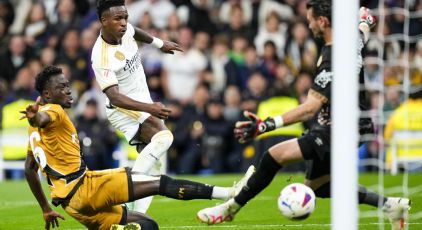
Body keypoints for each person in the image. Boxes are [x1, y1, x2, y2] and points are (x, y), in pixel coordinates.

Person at [196, 2, 411, 229]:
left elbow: (310, 108)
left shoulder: (333, 58)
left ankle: (230, 209)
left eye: (310, 19)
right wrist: (364, 22)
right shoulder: (350, 41)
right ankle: (390, 205)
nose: (308, 24)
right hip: (350, 125)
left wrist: (267, 124)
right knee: (318, 186)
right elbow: (362, 33)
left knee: (272, 155)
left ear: (322, 21)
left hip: (337, 129)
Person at [22, 66, 253, 230]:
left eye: (68, 85)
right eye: (62, 87)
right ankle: (230, 193)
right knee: (161, 183)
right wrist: (36, 117)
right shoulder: (54, 111)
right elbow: (43, 119)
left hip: (71, 205)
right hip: (85, 188)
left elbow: (29, 168)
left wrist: (45, 208)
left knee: (147, 225)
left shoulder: (33, 132)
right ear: (47, 94)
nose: (68, 90)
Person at [91, 0, 182, 213]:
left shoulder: (124, 31)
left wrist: (160, 44)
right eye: (118, 19)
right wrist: (150, 108)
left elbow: (136, 32)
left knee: (156, 165)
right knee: (165, 138)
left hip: (141, 103)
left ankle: (135, 216)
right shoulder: (101, 56)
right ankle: (125, 193)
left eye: (125, 17)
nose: (124, 23)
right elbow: (114, 97)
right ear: (103, 21)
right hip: (123, 108)